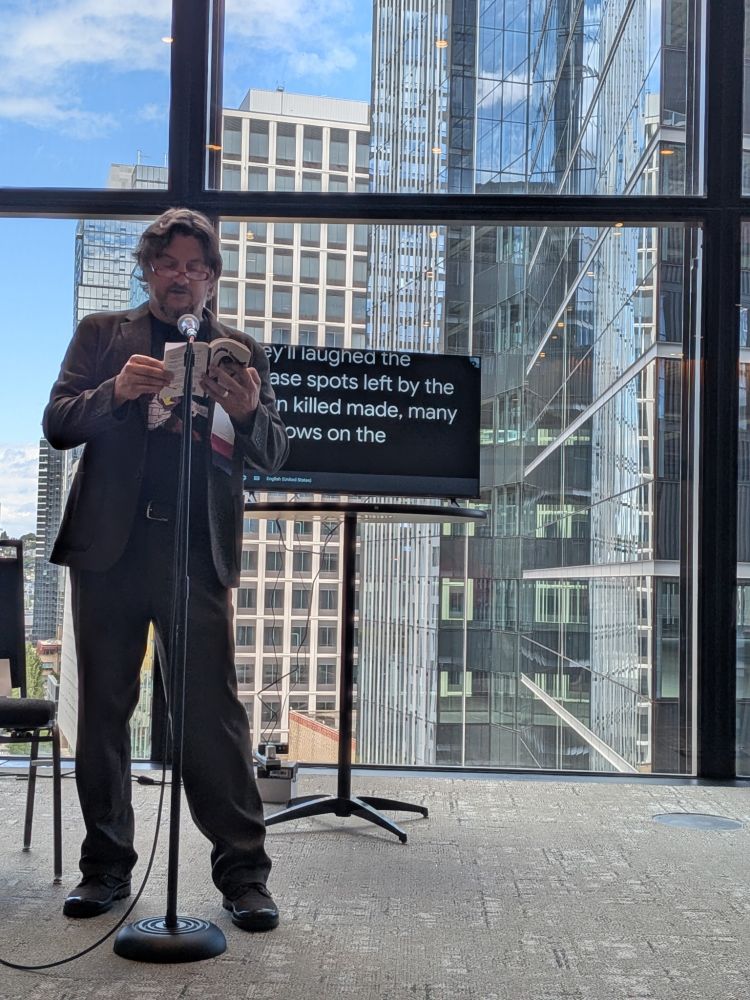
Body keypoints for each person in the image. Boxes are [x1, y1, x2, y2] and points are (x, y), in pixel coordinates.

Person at [43, 207, 289, 932]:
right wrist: (116, 393)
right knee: (104, 715)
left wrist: (247, 414)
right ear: (147, 270)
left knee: (213, 720)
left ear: (212, 278)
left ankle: (244, 877)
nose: (184, 277)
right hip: (110, 550)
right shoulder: (100, 335)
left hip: (195, 550)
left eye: (198, 267)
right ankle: (106, 870)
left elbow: (274, 454)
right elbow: (58, 423)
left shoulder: (239, 350)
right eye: (170, 264)